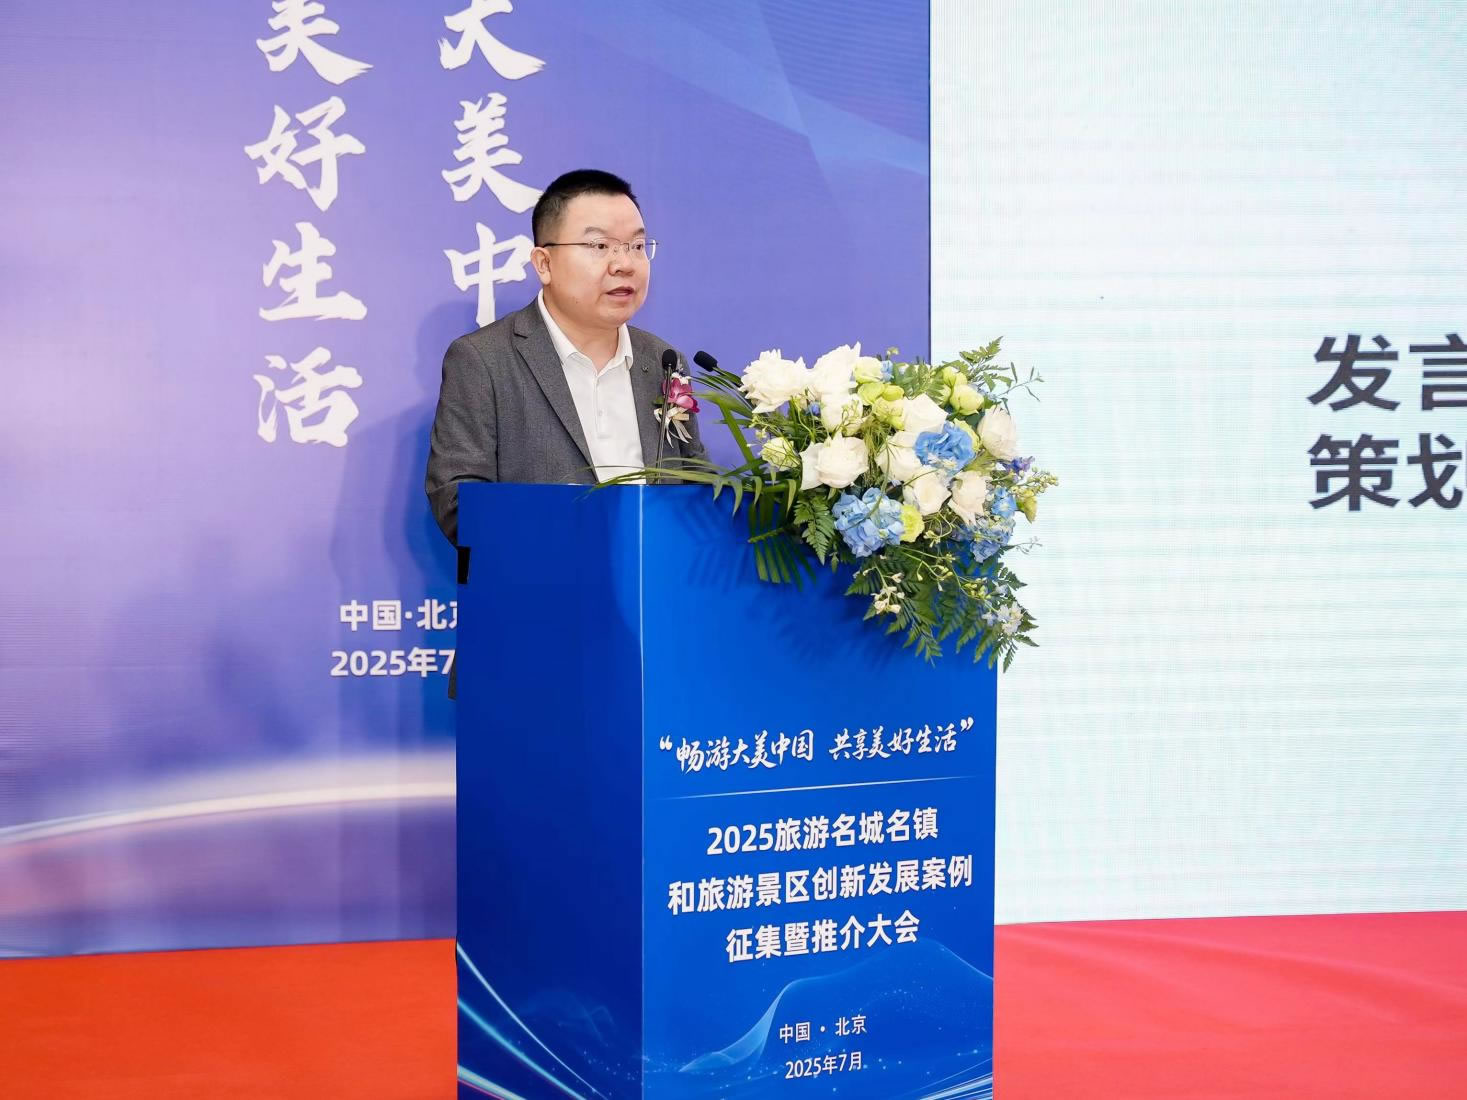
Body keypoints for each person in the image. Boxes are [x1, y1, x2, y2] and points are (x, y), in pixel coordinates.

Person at [425, 168, 705, 545]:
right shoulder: (483, 359)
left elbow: (695, 487)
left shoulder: (664, 361)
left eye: (637, 246)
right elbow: (458, 502)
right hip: (539, 576)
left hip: (657, 578)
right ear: (544, 263)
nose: (624, 263)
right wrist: (574, 533)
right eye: (599, 246)